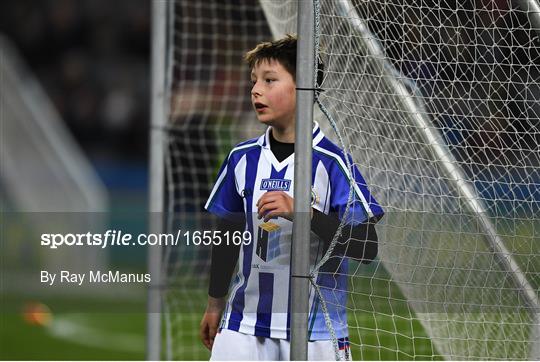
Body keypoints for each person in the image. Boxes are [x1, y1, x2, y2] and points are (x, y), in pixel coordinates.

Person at [200, 34, 384, 361]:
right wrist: (215, 303)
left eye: (270, 80)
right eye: (254, 81)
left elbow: (366, 247)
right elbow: (227, 234)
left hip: (316, 331)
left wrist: (305, 214)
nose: (256, 89)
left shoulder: (333, 163)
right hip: (244, 325)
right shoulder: (241, 158)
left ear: (304, 87)